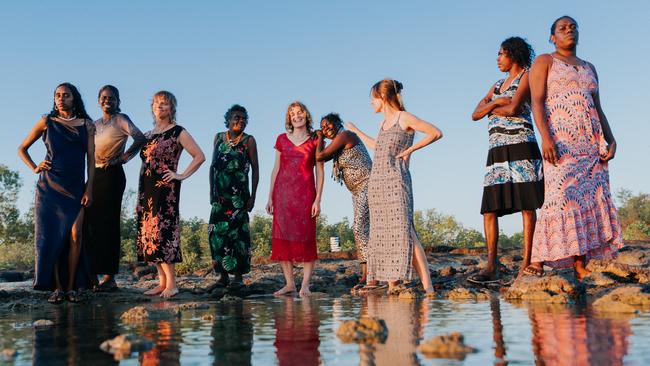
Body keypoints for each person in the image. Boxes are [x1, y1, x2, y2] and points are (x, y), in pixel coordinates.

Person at [528, 16, 622, 278]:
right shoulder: (545, 61)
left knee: (588, 198)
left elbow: (598, 108)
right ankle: (539, 259)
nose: (569, 30)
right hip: (561, 142)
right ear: (552, 37)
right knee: (559, 196)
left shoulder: (590, 67)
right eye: (562, 28)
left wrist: (611, 139)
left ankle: (580, 264)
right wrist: (545, 138)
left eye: (573, 27)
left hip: (590, 146)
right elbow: (536, 102)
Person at [347, 79, 443, 295]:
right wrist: (356, 131)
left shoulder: (404, 117)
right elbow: (377, 146)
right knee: (383, 233)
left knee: (406, 232)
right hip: (377, 183)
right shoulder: (382, 124)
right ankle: (392, 284)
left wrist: (411, 150)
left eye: (373, 99)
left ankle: (428, 289)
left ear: (382, 98)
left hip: (396, 180)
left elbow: (435, 132)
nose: (371, 103)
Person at [468, 37, 544, 284]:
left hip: (522, 145)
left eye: (501, 54)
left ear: (513, 54)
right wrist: (498, 101)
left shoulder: (527, 76)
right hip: (497, 150)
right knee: (489, 208)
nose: (497, 59)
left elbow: (513, 109)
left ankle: (526, 263)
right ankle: (492, 266)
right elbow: (474, 114)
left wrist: (493, 105)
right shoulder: (498, 84)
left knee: (527, 205)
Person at [17, 82, 96, 303]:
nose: (61, 99)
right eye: (57, 95)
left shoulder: (87, 125)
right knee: (51, 237)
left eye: (66, 95)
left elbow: (91, 161)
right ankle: (58, 289)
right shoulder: (46, 122)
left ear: (74, 98)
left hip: (75, 187)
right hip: (49, 188)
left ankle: (71, 287)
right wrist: (34, 167)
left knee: (75, 234)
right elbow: (21, 148)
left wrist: (89, 188)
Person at [136, 91, 205, 298]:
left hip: (165, 188)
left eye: (164, 103)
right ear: (152, 108)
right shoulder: (148, 135)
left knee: (163, 232)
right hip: (146, 189)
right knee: (149, 234)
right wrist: (138, 196)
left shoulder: (178, 132)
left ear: (171, 108)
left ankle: (172, 284)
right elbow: (144, 164)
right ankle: (162, 282)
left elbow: (199, 156)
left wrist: (180, 175)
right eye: (156, 103)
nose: (160, 106)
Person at [86, 85, 146, 291]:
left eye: (112, 98)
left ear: (118, 101)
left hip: (112, 175)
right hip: (94, 176)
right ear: (98, 101)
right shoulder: (93, 124)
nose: (107, 101)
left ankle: (110, 277)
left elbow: (140, 138)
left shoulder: (121, 119)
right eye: (103, 98)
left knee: (109, 224)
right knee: (90, 223)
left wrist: (123, 158)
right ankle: (92, 275)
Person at [266, 101, 324, 297]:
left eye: (299, 112)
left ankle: (305, 285)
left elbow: (320, 171)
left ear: (306, 115)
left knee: (307, 237)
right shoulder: (281, 139)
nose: (296, 116)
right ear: (289, 119)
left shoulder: (315, 140)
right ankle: (290, 283)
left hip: (305, 194)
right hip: (282, 194)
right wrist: (270, 196)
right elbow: (275, 169)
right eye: (292, 114)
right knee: (282, 238)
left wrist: (318, 199)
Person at [315, 113, 373, 292]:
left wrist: (318, 138)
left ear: (337, 123)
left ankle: (369, 275)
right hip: (356, 191)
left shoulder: (345, 136)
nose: (326, 129)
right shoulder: (338, 141)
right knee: (361, 229)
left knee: (359, 227)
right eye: (323, 128)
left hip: (367, 184)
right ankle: (367, 274)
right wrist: (321, 137)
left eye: (328, 125)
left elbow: (320, 156)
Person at [208, 104, 259, 288]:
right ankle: (222, 277)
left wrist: (253, 196)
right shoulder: (218, 138)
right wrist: (211, 190)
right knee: (216, 233)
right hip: (220, 195)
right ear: (228, 119)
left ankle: (238, 277)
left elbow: (255, 169)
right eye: (236, 117)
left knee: (238, 235)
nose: (240, 121)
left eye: (244, 118)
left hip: (239, 195)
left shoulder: (249, 141)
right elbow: (213, 166)